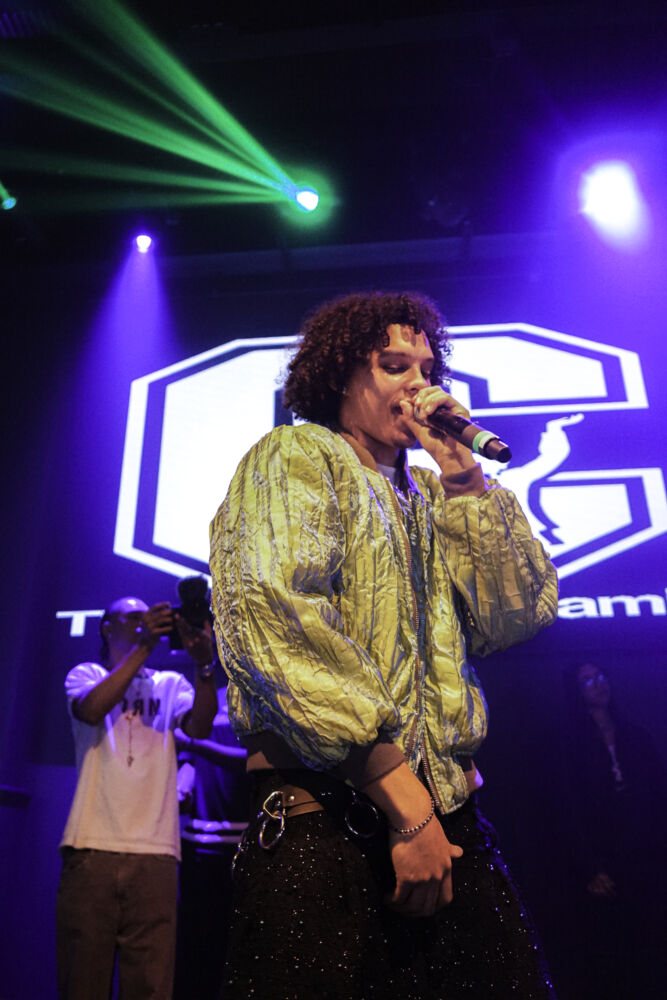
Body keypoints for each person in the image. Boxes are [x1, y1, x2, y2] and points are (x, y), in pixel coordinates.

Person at [209, 291, 560, 999]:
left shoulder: (434, 494)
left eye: (427, 368)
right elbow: (274, 621)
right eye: (394, 365)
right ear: (340, 376)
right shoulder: (297, 455)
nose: (418, 384)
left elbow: (515, 616)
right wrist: (404, 802)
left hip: (449, 823)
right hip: (329, 823)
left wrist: (464, 478)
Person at [56, 596, 218, 1000]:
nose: (143, 621)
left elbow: (200, 727)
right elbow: (92, 710)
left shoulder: (169, 684)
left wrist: (204, 666)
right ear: (107, 627)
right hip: (92, 848)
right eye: (132, 617)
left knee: (151, 986)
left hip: (156, 853)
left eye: (147, 616)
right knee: (82, 984)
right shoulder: (86, 674)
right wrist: (144, 647)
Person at [560, 662, 667, 999]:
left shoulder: (635, 735)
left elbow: (658, 792)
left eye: (601, 676)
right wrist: (590, 867)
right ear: (576, 690)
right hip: (606, 857)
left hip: (646, 855)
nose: (598, 684)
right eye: (588, 680)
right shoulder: (572, 746)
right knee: (617, 952)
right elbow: (569, 809)